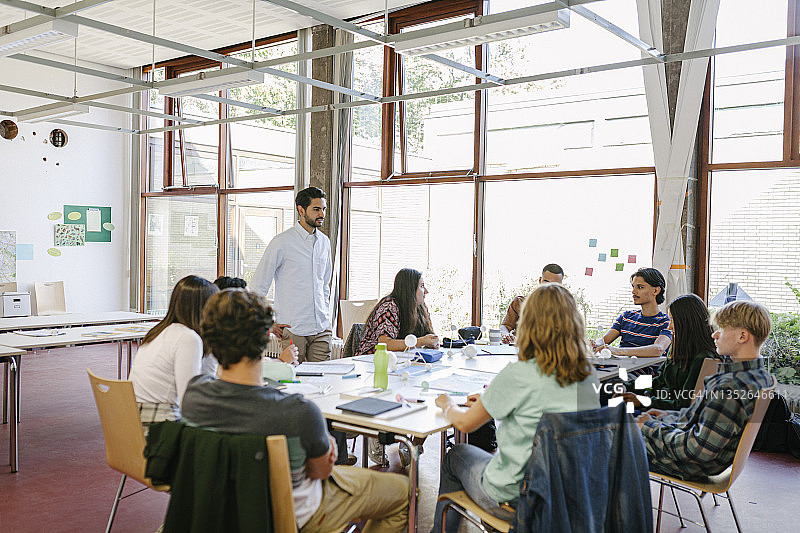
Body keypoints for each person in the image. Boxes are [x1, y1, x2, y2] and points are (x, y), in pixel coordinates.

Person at [182, 289, 410, 533]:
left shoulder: (193, 396)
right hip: (296, 516)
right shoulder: (298, 412)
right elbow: (321, 471)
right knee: (404, 494)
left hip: (220, 516)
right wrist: (328, 450)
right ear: (265, 337)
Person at [431, 284, 600, 533]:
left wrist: (447, 404)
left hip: (517, 497)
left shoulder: (519, 374)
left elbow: (465, 424)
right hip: (567, 495)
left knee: (455, 455)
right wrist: (492, 400)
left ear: (528, 323)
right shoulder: (588, 376)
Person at [636, 300, 773, 480]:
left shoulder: (730, 387)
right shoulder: (760, 376)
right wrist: (665, 416)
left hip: (686, 464)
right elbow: (700, 421)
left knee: (602, 438)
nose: (715, 335)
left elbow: (697, 450)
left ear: (742, 336)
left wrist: (649, 427)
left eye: (722, 329)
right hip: (700, 459)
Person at [251, 186, 333, 363]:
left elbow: (325, 284)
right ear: (301, 210)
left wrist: (327, 316)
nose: (322, 214)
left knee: (324, 380)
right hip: (293, 329)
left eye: (324, 209)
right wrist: (267, 323)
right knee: (294, 381)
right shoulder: (282, 242)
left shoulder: (325, 243)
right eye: (316, 209)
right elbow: (258, 287)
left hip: (321, 327)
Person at [129, 275, 219, 434]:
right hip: (158, 426)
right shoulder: (188, 338)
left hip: (133, 422)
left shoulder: (158, 332)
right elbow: (189, 402)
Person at [617, 293, 718, 410]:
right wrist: (627, 387)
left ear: (686, 323)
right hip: (656, 403)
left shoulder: (702, 358)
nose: (669, 327)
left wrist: (643, 401)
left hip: (668, 413)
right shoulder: (678, 348)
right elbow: (658, 380)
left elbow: (684, 403)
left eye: (672, 320)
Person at [355, 268, 439, 356]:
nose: (426, 291)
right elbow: (385, 344)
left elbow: (427, 334)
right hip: (372, 360)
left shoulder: (421, 308)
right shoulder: (389, 306)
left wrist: (432, 342)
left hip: (402, 359)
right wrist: (420, 341)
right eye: (421, 286)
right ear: (409, 289)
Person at [593, 267, 671, 358]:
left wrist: (618, 351)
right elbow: (603, 341)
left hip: (641, 372)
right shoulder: (626, 317)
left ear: (656, 291)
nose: (633, 291)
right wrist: (593, 344)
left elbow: (658, 349)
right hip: (618, 369)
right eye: (633, 287)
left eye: (640, 287)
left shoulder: (666, 322)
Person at [500, 263, 563, 344]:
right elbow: (505, 326)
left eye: (555, 285)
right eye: (546, 282)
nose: (549, 287)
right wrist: (505, 335)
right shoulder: (519, 302)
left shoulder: (564, 310)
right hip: (518, 352)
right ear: (540, 281)